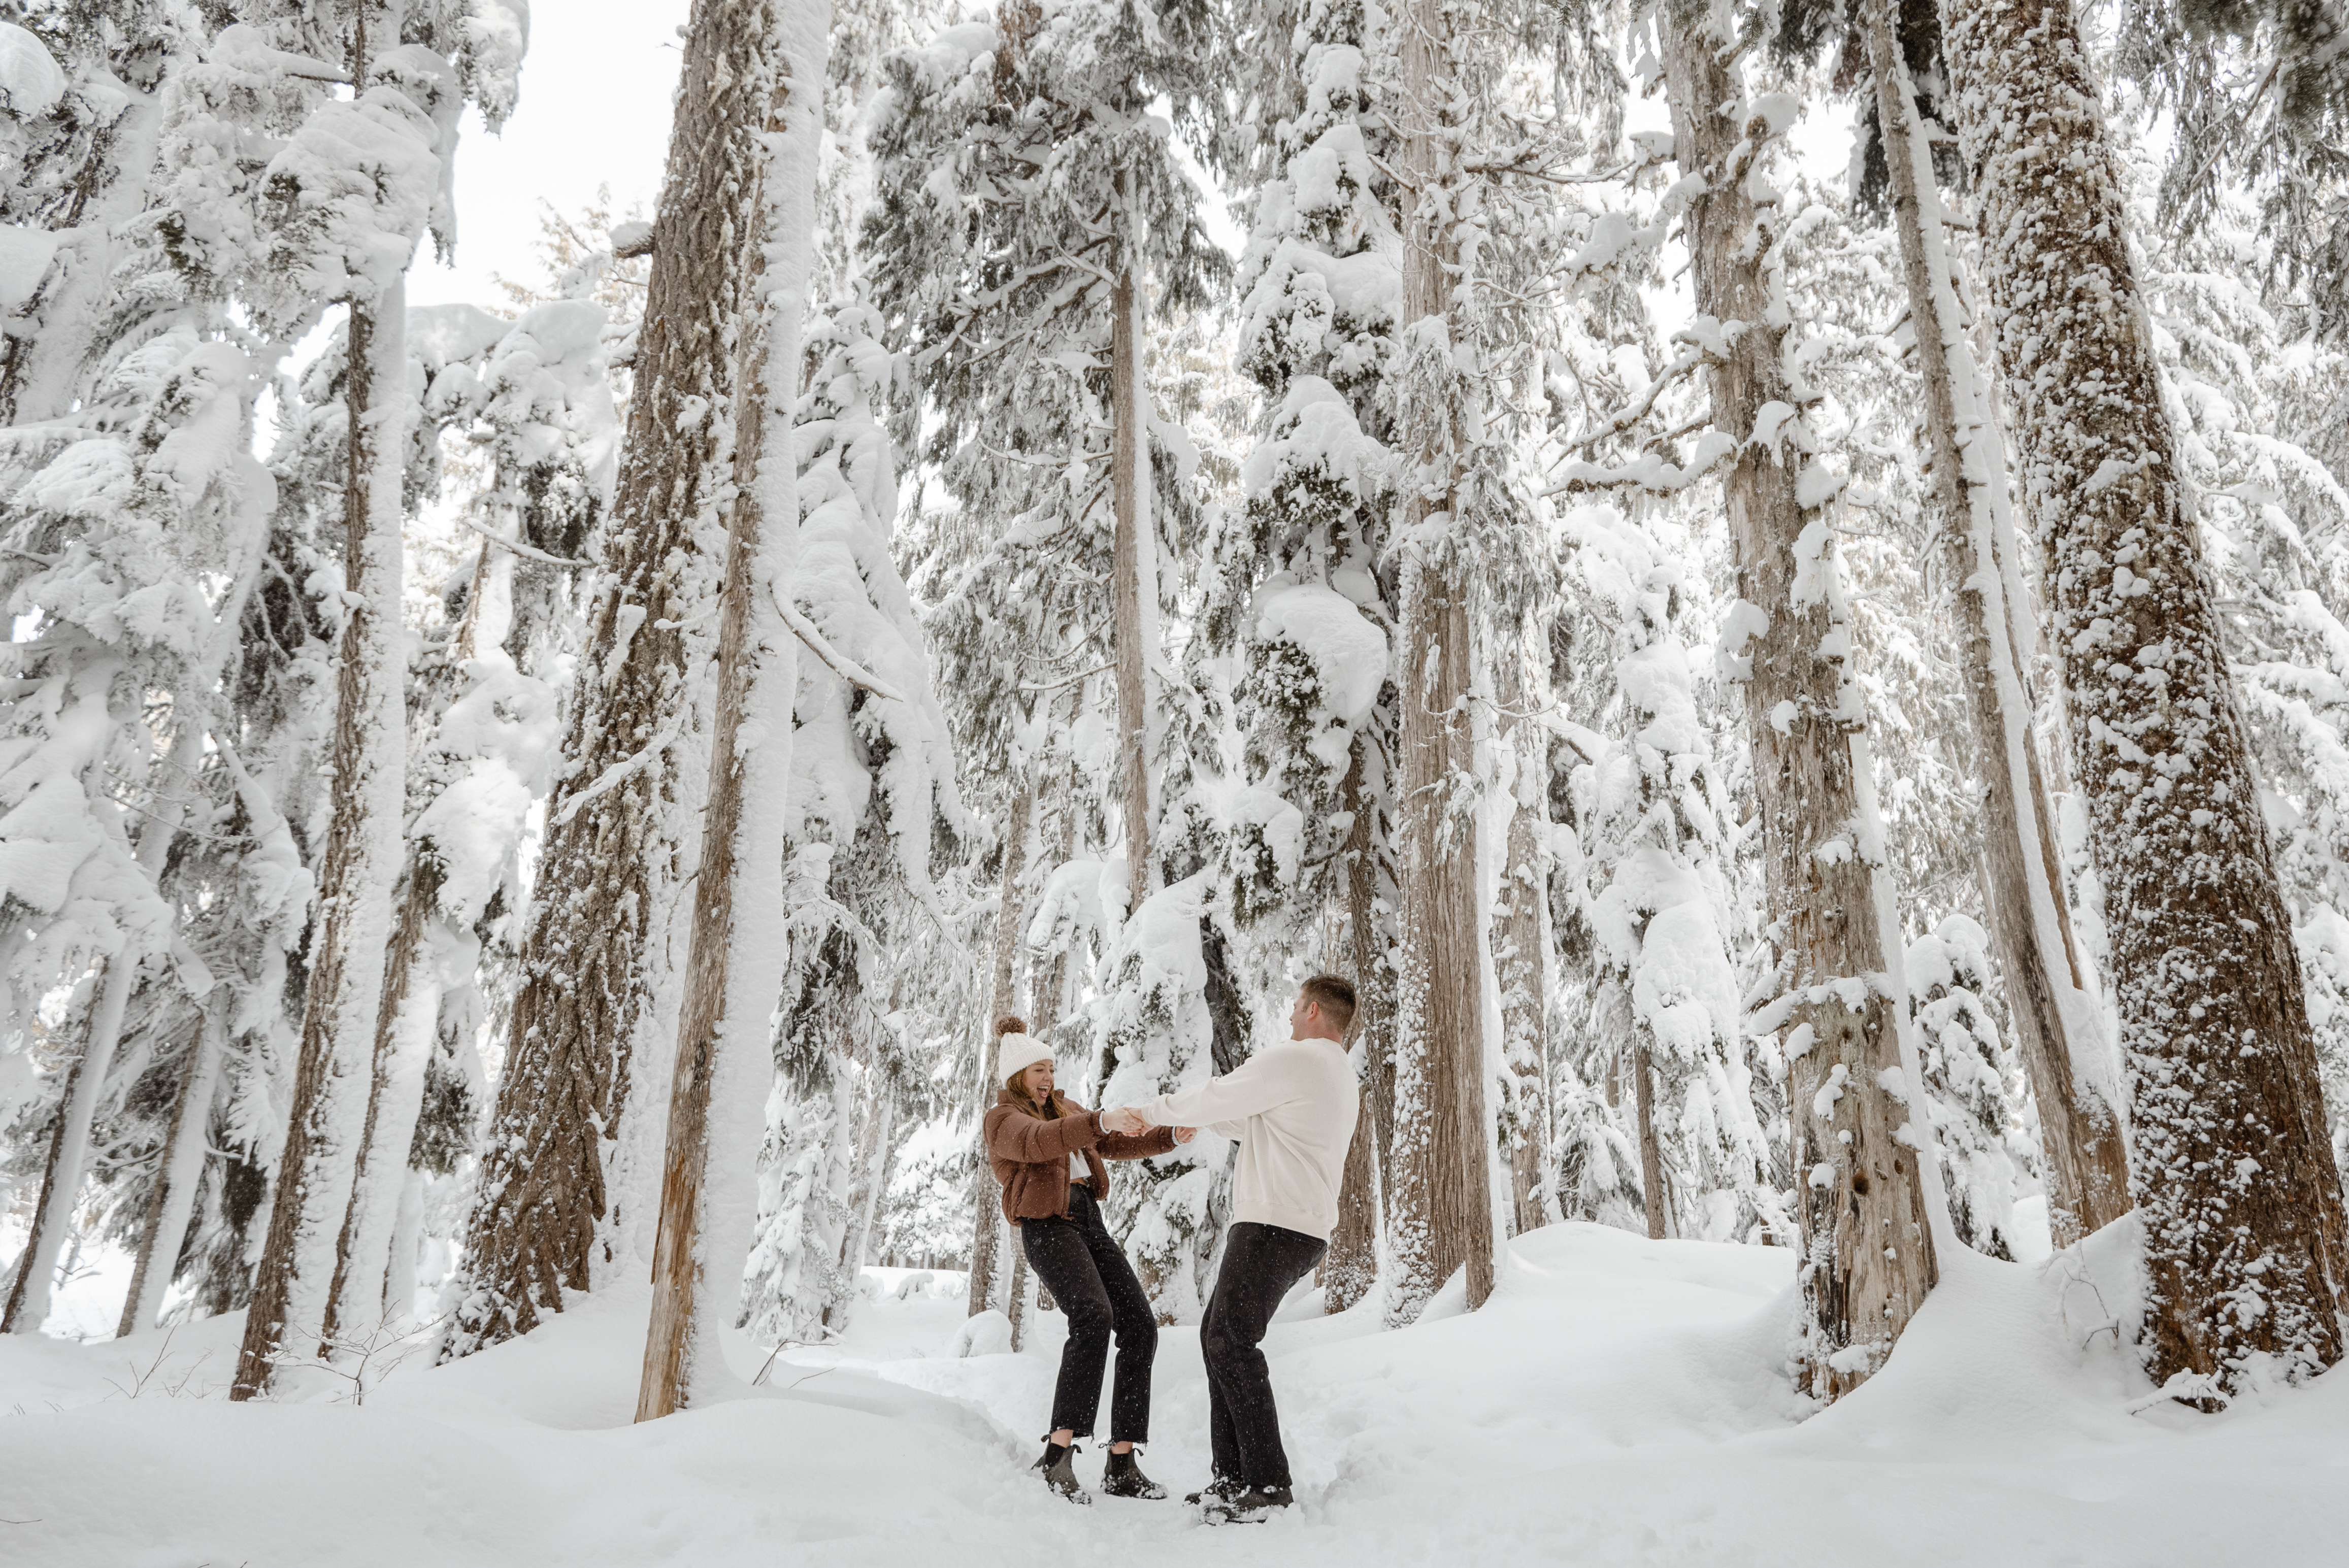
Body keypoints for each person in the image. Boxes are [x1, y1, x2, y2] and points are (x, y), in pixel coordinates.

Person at [1105, 975, 1361, 1524]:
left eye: (1296, 1006)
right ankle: (1232, 1475)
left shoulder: (1301, 1058)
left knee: (1231, 1341)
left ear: (1313, 1010)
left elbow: (1224, 1094)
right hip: (1298, 1226)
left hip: (1273, 1222)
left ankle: (1268, 1484)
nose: (1291, 1015)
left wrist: (1151, 1111)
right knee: (1216, 1336)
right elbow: (1242, 1116)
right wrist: (1182, 1120)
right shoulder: (1334, 1074)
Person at [983, 1015, 1195, 1505]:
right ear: (1017, 1074)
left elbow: (1113, 1141)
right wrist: (1098, 1119)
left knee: (1140, 1324)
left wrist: (1169, 1137)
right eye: (1038, 1070)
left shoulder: (1067, 1109)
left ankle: (1122, 1462)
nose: (1048, 1077)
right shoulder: (1003, 1119)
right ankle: (1058, 1454)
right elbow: (1042, 1142)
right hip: (1047, 1224)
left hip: (1088, 1220)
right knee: (1092, 1315)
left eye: (1051, 1068)